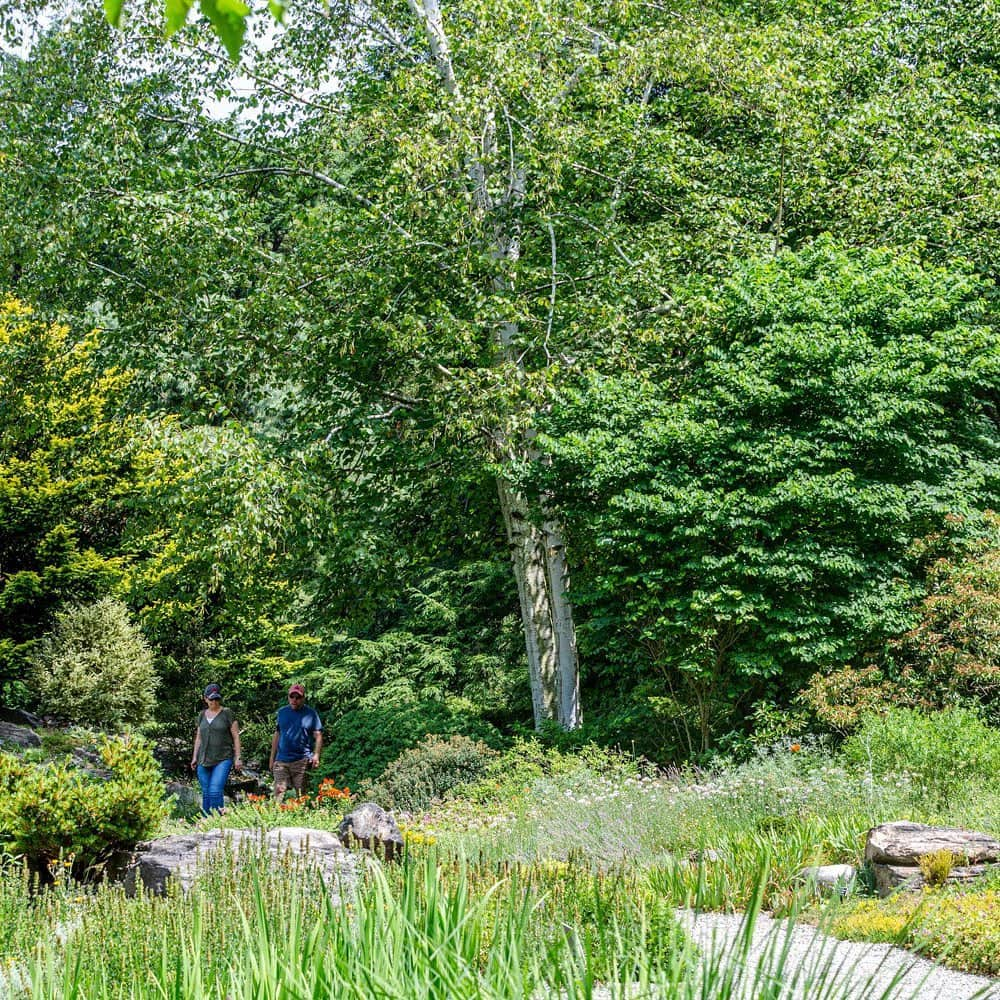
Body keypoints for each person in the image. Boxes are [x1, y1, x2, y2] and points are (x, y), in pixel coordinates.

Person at [190, 683, 242, 814]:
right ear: (205, 699)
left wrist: (238, 758)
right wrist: (194, 757)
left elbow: (236, 737)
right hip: (203, 759)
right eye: (211, 699)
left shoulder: (227, 713)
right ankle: (207, 822)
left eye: (217, 698)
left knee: (214, 790)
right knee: (206, 792)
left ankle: (218, 821)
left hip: (223, 758)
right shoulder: (202, 715)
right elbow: (199, 738)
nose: (214, 701)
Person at [270, 683, 323, 800]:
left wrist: (316, 755)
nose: (294, 700)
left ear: (303, 698)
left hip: (302, 761)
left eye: (298, 697)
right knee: (278, 793)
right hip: (281, 760)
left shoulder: (311, 714)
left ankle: (301, 816)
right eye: (291, 696)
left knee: (301, 796)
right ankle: (275, 817)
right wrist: (272, 758)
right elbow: (277, 733)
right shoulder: (282, 712)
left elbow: (318, 735)